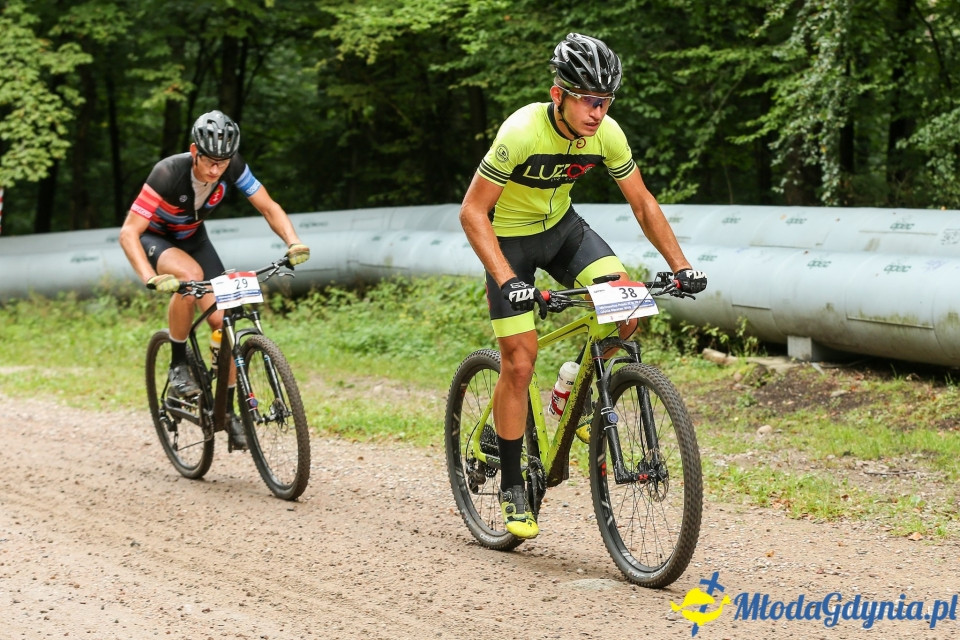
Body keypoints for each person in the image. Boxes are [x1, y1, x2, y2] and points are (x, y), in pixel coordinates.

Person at [459, 33, 707, 539]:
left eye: (606, 101)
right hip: (508, 241)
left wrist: (681, 265)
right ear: (559, 95)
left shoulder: (606, 134)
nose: (598, 112)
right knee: (519, 360)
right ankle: (513, 486)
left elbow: (643, 202)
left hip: (563, 231)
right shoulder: (521, 132)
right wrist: (507, 279)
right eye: (589, 100)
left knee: (630, 306)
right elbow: (472, 212)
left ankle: (571, 385)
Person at [119, 110, 310, 451]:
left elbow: (268, 206)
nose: (214, 170)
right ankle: (178, 364)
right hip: (156, 238)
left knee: (225, 321)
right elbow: (128, 233)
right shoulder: (168, 172)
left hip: (194, 239)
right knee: (190, 277)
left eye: (221, 163)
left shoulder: (232, 166)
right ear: (194, 151)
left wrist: (293, 242)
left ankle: (229, 411)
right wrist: (150, 277)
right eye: (208, 161)